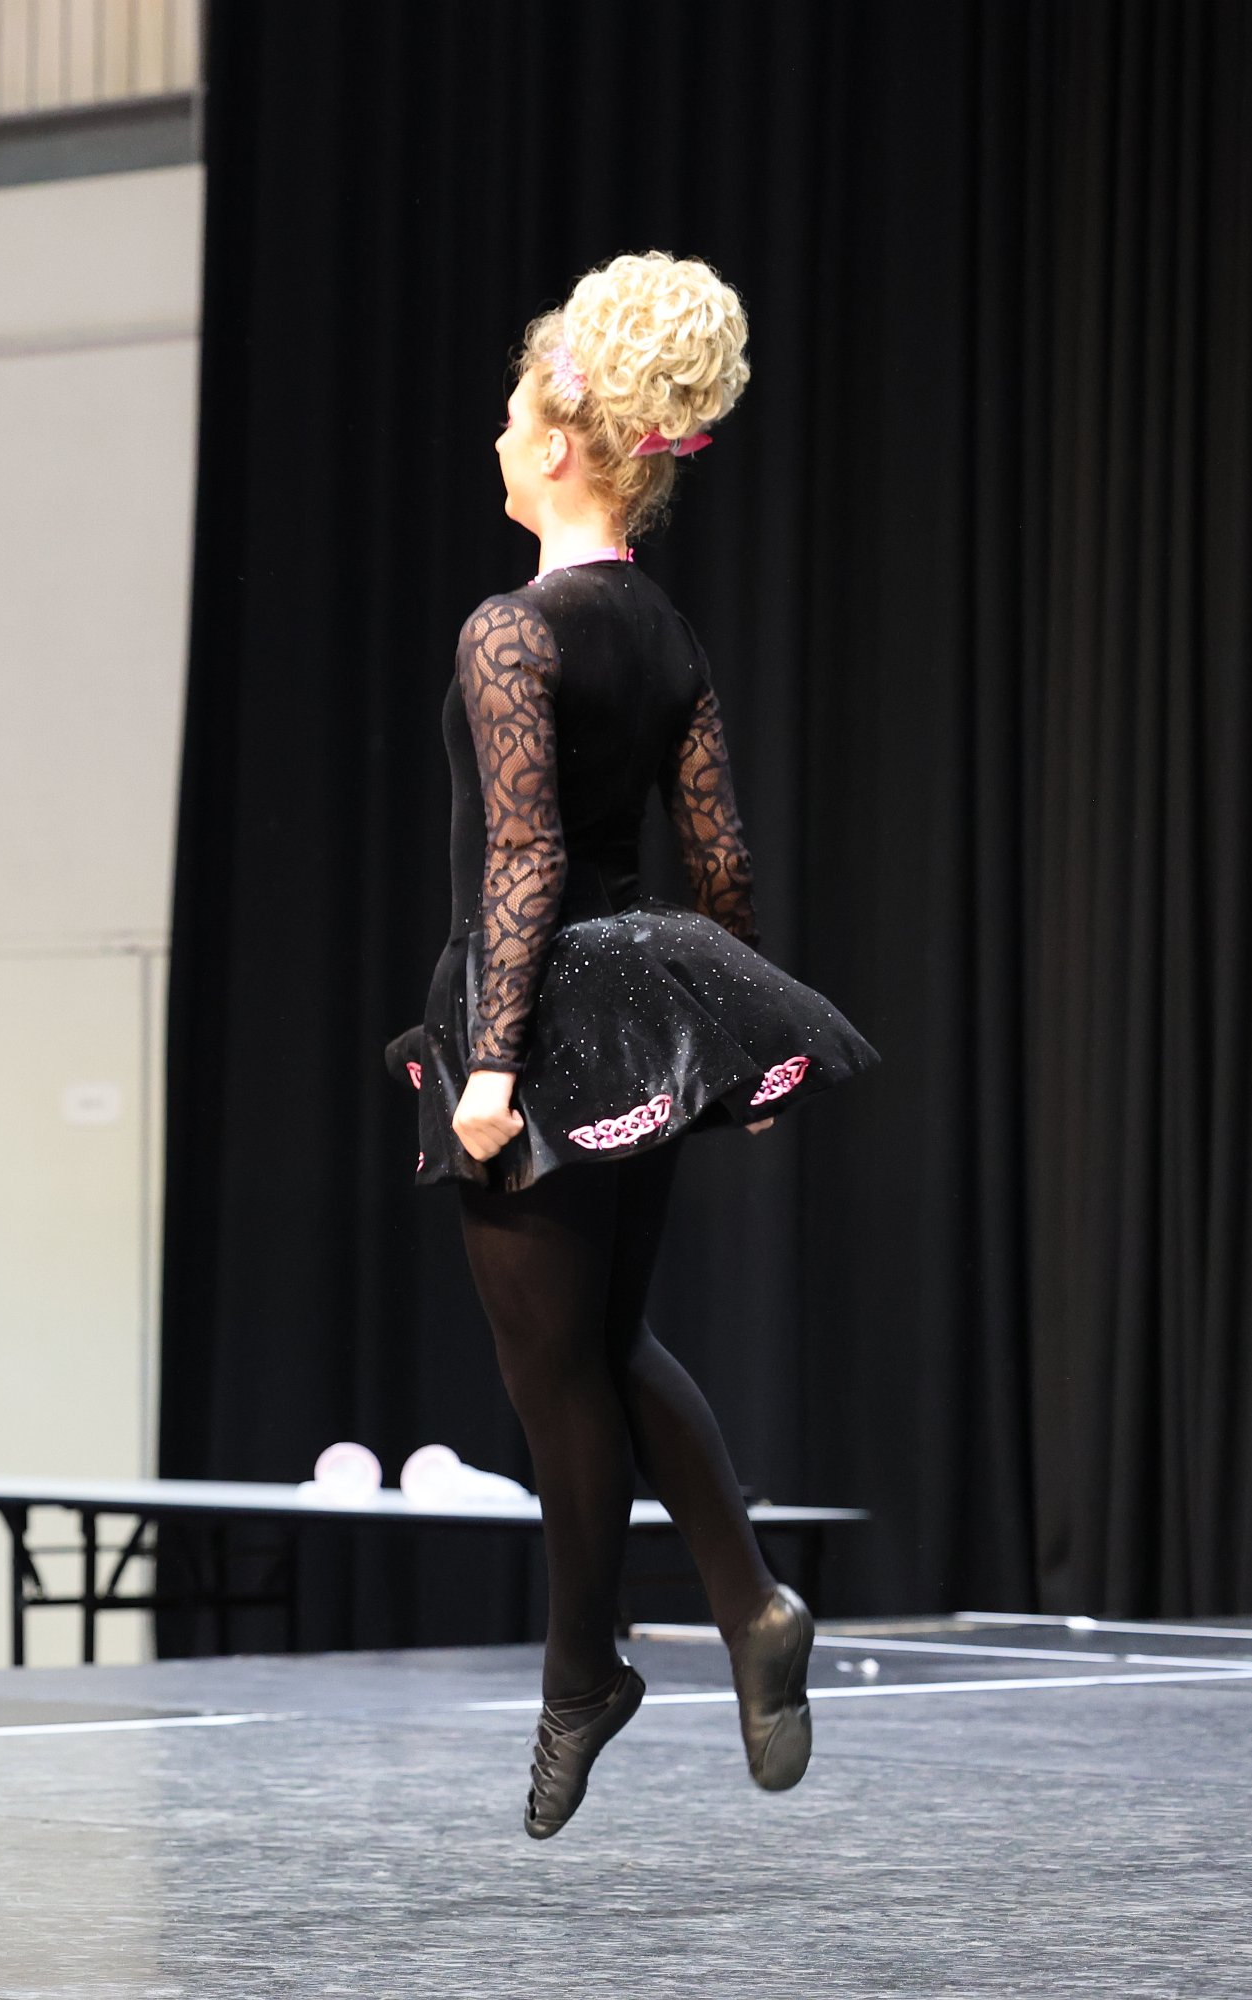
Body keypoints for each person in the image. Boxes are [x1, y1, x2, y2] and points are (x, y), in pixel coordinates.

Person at [393, 253, 876, 1839]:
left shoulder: (507, 630)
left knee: (555, 1374)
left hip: (537, 1017)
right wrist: (727, 1041)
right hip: (648, 1005)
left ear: (556, 442)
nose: (492, 437)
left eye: (506, 416)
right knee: (609, 1341)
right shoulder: (665, 632)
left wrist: (489, 1067)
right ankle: (745, 1603)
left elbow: (524, 857)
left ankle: (583, 1672)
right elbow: (719, 854)